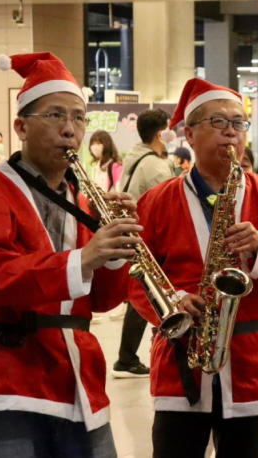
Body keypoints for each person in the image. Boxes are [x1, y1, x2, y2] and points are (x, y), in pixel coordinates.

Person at [0, 52, 139, 457]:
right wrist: (84, 258)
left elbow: (102, 301)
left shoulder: (84, 201)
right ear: (21, 126)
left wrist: (115, 255)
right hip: (8, 382)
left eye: (78, 118)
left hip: (80, 379)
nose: (70, 130)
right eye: (55, 116)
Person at [130, 78, 258, 458]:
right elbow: (135, 279)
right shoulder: (157, 200)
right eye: (218, 121)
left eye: (239, 122)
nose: (231, 131)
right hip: (180, 361)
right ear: (189, 134)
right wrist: (171, 302)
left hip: (254, 366)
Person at [112, 108, 176, 378]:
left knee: (143, 295)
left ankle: (127, 358)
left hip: (134, 234)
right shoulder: (154, 165)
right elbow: (175, 201)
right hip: (148, 238)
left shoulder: (137, 156)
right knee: (149, 296)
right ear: (162, 133)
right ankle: (127, 358)